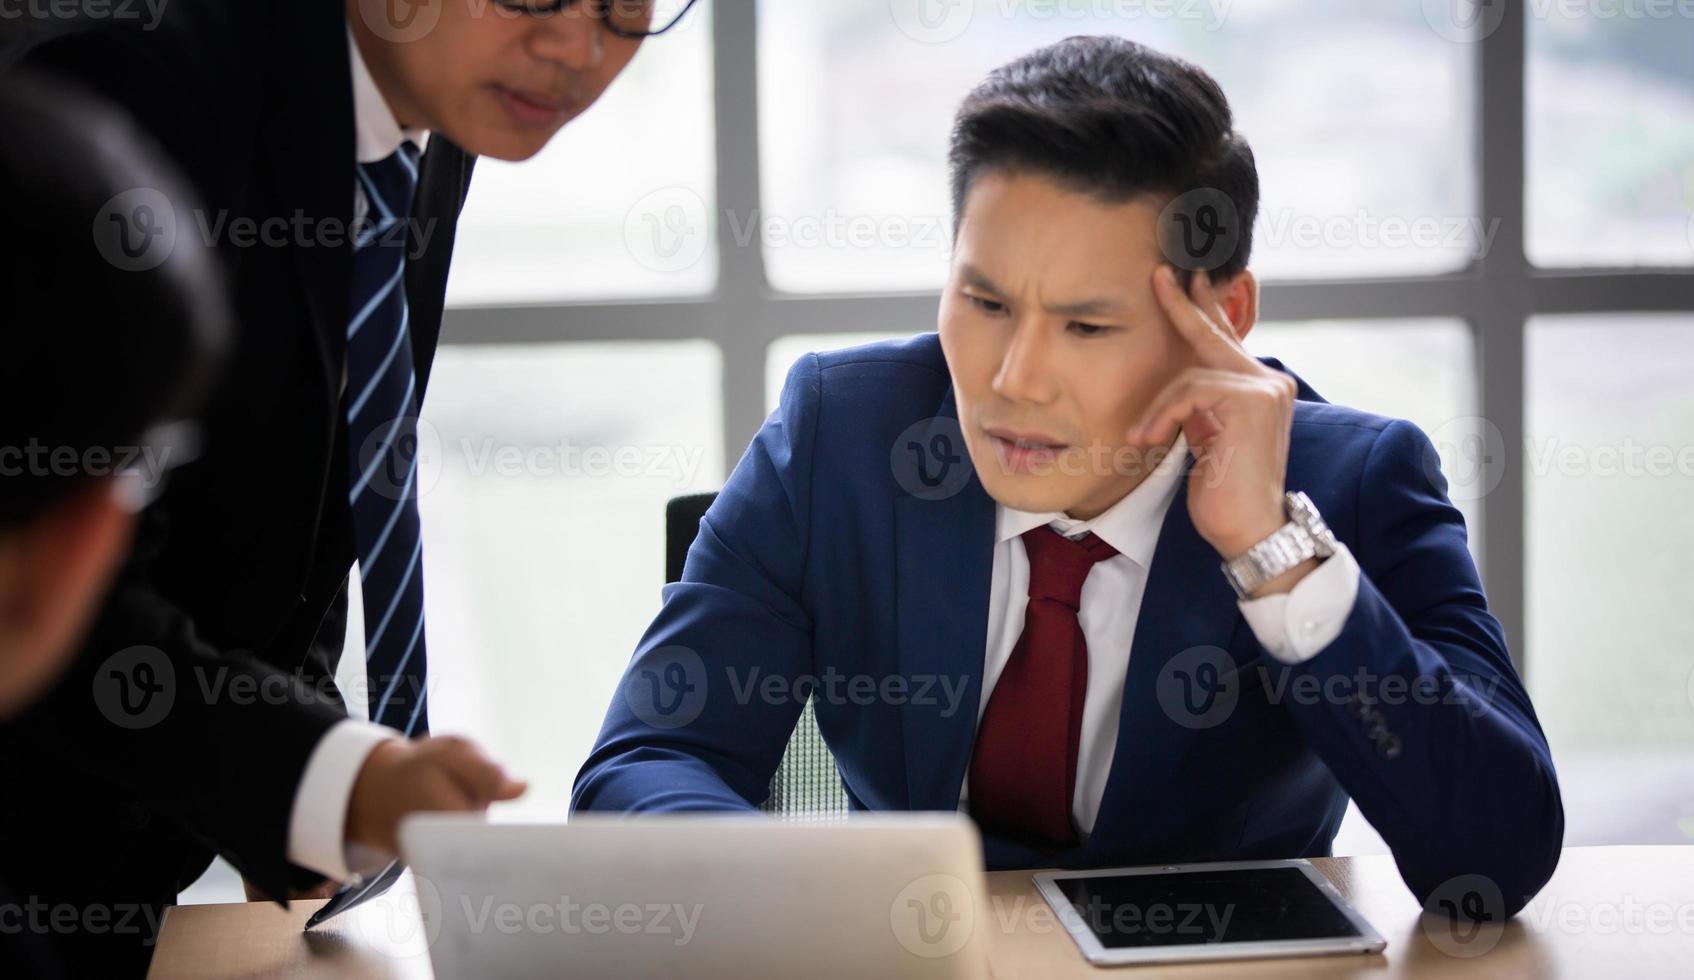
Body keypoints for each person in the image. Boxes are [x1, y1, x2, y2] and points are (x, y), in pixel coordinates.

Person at [573, 36, 1565, 919]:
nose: (1012, 380)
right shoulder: (842, 430)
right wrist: (824, 896)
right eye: (985, 301)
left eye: (1085, 326)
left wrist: (1269, 551)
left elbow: (1496, 853)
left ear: (1222, 317)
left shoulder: (1350, 481)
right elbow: (642, 767)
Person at [1, 0, 696, 972]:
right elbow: (36, 580)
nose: (576, 50)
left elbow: (311, 468)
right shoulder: (132, 92)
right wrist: (323, 777)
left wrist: (313, 751)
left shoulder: (435, 110)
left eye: (627, 9)